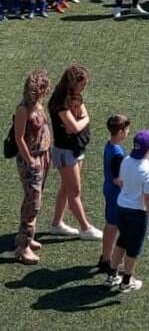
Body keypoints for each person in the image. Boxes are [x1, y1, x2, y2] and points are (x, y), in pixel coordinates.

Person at [48, 63, 102, 239]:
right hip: (65, 151)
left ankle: (56, 224)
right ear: (72, 82)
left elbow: (82, 118)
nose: (84, 87)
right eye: (82, 84)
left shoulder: (74, 96)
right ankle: (85, 228)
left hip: (76, 149)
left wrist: (83, 119)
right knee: (74, 191)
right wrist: (85, 119)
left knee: (66, 187)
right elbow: (74, 127)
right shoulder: (60, 101)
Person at [104, 129, 149, 293]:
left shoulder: (126, 161)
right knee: (133, 249)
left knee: (122, 241)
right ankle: (127, 281)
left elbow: (121, 182)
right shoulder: (148, 171)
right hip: (137, 213)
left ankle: (112, 276)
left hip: (122, 207)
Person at [13, 69, 52, 264]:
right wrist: (30, 161)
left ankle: (24, 237)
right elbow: (19, 138)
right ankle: (23, 248)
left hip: (43, 156)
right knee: (33, 204)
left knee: (32, 200)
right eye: (44, 88)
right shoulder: (23, 109)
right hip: (32, 161)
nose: (47, 91)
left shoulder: (38, 104)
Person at [99, 114, 131, 273]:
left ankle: (105, 256)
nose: (128, 132)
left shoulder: (109, 145)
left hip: (109, 191)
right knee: (114, 226)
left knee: (110, 225)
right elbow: (118, 180)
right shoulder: (117, 153)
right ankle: (108, 260)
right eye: (126, 129)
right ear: (120, 132)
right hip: (116, 194)